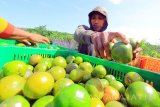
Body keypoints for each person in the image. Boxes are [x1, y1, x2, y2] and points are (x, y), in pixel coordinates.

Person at [74, 6, 142, 60]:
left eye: (100, 18)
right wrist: (94, 36)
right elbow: (78, 34)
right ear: (90, 20)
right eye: (93, 18)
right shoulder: (83, 28)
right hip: (78, 64)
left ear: (105, 22)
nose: (96, 21)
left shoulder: (109, 41)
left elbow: (111, 58)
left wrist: (127, 55)